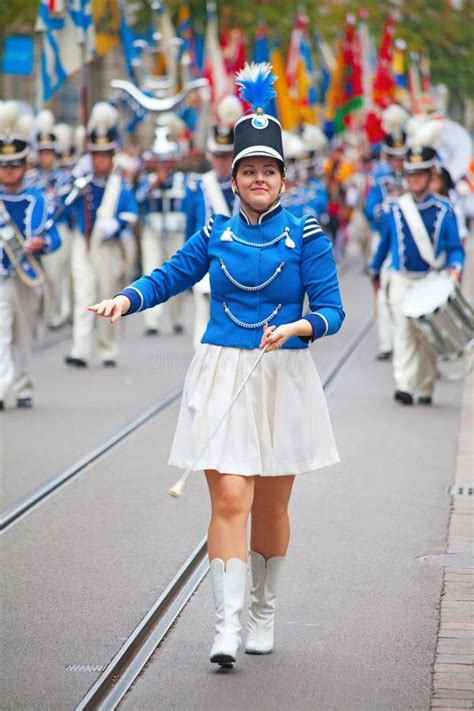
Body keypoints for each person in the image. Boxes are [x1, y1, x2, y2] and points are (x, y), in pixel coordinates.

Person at [89, 62, 344, 668]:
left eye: (268, 170)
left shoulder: (306, 233)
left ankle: (263, 611)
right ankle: (226, 627)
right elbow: (171, 275)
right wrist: (127, 298)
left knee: (273, 506)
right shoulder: (216, 232)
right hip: (222, 372)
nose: (259, 179)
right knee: (230, 498)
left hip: (283, 375)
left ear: (283, 179)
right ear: (234, 179)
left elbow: (333, 310)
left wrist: (301, 326)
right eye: (248, 170)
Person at [370, 146, 465, 406]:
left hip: (429, 281)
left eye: (420, 175)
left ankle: (424, 388)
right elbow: (385, 244)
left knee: (426, 337)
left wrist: (455, 267)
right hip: (401, 279)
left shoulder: (444, 209)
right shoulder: (396, 208)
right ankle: (404, 385)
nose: (414, 180)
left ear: (429, 174)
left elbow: (455, 248)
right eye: (411, 175)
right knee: (403, 331)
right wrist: (375, 270)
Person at [64, 102, 138, 368]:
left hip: (107, 247)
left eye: (106, 155)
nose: (101, 160)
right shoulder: (81, 180)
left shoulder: (120, 184)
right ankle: (79, 349)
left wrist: (116, 226)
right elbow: (65, 206)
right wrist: (74, 181)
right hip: (83, 244)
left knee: (107, 297)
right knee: (83, 295)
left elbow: (131, 214)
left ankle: (107, 348)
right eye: (97, 155)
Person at [0, 101, 61, 410]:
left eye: (14, 164)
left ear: (25, 165)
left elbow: (55, 237)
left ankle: (23, 386)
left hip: (26, 275)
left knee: (23, 335)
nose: (8, 170)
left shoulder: (37, 199)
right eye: (4, 165)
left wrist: (43, 242)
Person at [184, 95, 242, 349]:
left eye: (227, 155)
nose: (222, 161)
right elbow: (190, 227)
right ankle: (201, 367)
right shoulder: (199, 186)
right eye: (218, 156)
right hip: (207, 261)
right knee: (203, 319)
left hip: (239, 262)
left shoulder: (244, 185)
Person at [136, 113, 188, 336]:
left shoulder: (182, 180)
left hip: (176, 232)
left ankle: (176, 318)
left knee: (176, 274)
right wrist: (153, 183)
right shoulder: (147, 181)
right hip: (153, 231)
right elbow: (138, 199)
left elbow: (189, 204)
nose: (164, 165)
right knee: (151, 270)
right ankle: (152, 320)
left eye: (168, 160)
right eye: (161, 160)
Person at [364, 104, 408, 361]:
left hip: (408, 237)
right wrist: (389, 205)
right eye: (394, 156)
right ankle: (386, 343)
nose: (398, 162)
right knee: (382, 292)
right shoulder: (379, 175)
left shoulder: (415, 173)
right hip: (384, 236)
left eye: (401, 156)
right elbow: (370, 210)